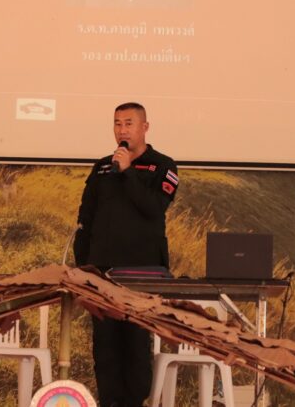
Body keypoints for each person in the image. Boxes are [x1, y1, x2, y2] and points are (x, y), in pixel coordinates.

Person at [74, 102, 180, 407]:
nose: (122, 130)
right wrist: (83, 268)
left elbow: (153, 208)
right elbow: (86, 219)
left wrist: (129, 172)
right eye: (117, 124)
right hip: (102, 274)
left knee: (135, 346)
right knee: (105, 349)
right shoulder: (101, 167)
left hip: (142, 273)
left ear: (145, 127)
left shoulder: (163, 166)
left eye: (129, 123)